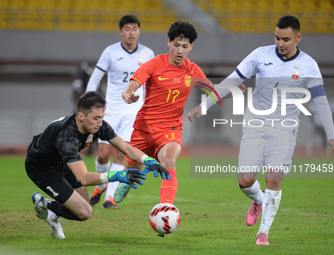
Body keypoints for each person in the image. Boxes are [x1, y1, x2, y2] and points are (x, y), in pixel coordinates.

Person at [188, 15, 334, 245]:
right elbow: (231, 80)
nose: (280, 43)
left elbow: (320, 100)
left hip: (284, 130)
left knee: (274, 179)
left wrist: (331, 134)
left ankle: (263, 233)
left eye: (286, 39)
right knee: (245, 181)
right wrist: (205, 105)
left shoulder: (308, 65)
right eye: (277, 37)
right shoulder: (261, 54)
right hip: (255, 125)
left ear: (298, 37)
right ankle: (258, 200)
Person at [25, 91, 170, 239]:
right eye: (96, 118)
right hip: (42, 168)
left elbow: (126, 148)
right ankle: (43, 203)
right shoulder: (67, 138)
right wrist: (118, 175)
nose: (100, 123)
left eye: (101, 117)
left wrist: (149, 160)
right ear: (81, 116)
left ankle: (53, 215)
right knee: (83, 212)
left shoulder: (98, 126)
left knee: (83, 210)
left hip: (64, 162)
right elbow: (83, 178)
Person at [113, 20, 212, 206]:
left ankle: (166, 208)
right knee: (133, 169)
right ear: (169, 43)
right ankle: (128, 179)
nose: (180, 51)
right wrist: (128, 93)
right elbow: (134, 83)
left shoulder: (193, 70)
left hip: (170, 129)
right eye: (176, 45)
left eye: (184, 46)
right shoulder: (155, 64)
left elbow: (215, 91)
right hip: (144, 128)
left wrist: (230, 91)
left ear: (191, 46)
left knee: (169, 161)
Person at [86, 14, 155, 209]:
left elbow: (152, 82)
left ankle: (109, 197)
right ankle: (100, 185)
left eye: (134, 28)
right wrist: (89, 103)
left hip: (133, 112)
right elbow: (96, 77)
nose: (131, 32)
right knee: (102, 155)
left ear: (139, 31)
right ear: (120, 31)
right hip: (111, 111)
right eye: (127, 29)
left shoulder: (148, 54)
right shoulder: (110, 52)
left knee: (120, 154)